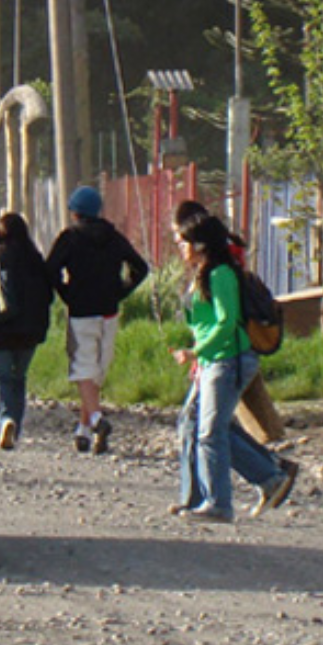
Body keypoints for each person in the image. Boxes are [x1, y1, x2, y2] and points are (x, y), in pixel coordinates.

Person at [170, 201, 300, 517]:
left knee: (210, 431)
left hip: (228, 361)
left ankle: (220, 502)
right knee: (195, 425)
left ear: (199, 244)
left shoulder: (221, 274)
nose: (180, 247)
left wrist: (196, 352)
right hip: (215, 360)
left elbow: (227, 322)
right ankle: (256, 481)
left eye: (184, 241)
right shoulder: (203, 273)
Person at [46, 184, 149, 454]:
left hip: (81, 312)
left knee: (83, 369)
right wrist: (121, 291)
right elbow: (141, 268)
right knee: (96, 373)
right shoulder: (114, 237)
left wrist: (66, 293)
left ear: (75, 213)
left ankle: (96, 420)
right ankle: (83, 432)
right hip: (109, 312)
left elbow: (50, 270)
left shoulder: (69, 238)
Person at [0, 211, 53, 451]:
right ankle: (16, 426)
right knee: (18, 379)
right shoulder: (34, 257)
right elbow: (48, 295)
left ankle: (6, 420)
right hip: (29, 333)